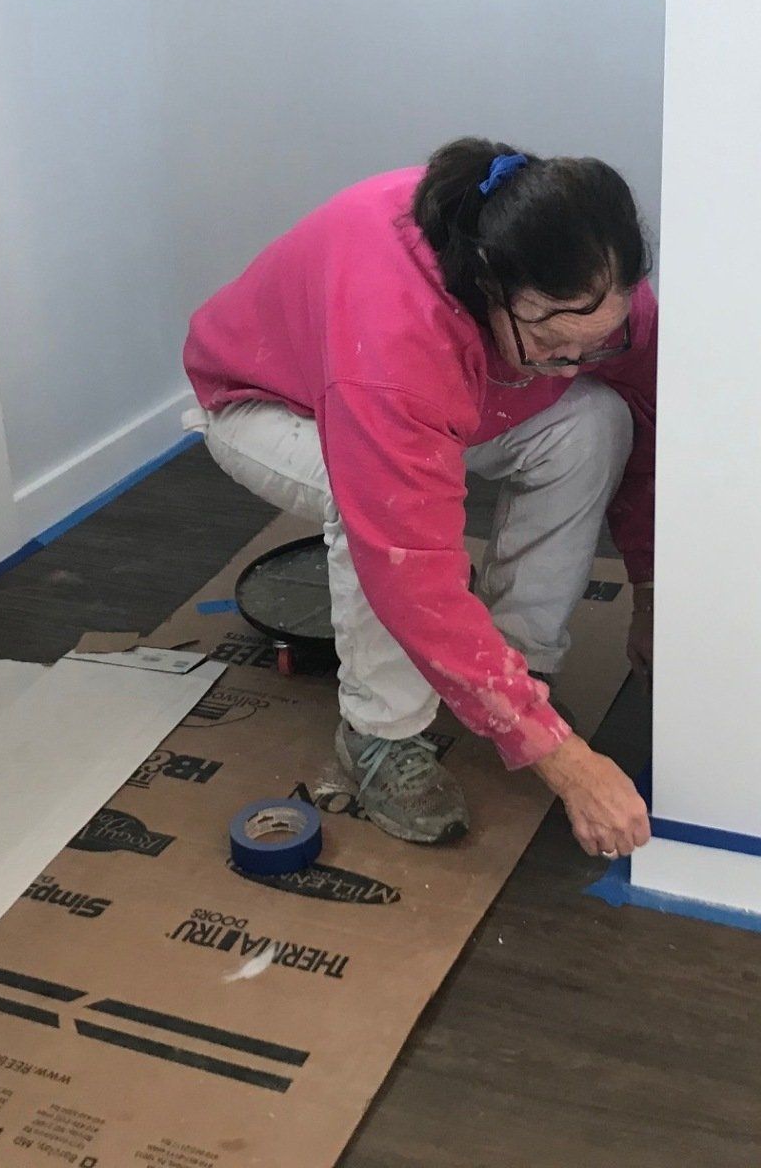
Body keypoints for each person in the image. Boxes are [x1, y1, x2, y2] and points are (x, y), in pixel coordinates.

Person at [181, 138, 655, 859]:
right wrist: (568, 765)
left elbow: (649, 427)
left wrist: (650, 590)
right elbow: (410, 567)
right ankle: (380, 734)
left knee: (597, 420)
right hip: (274, 402)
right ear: (491, 286)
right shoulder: (396, 334)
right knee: (373, 514)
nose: (572, 364)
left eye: (593, 345)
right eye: (553, 343)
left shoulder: (596, 283)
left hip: (452, 394)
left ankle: (517, 665)